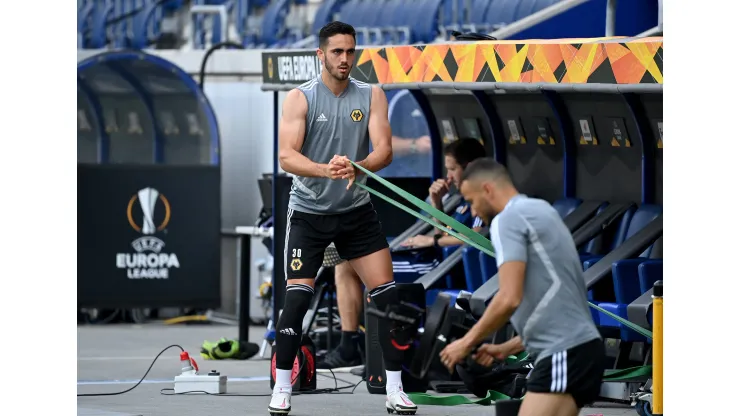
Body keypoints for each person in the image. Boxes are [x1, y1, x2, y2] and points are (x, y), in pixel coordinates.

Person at [269, 21, 417, 415]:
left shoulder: (371, 94)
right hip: (309, 214)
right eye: (337, 52)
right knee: (297, 301)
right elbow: (286, 156)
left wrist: (359, 166)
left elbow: (384, 151)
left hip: (355, 213)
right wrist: (327, 170)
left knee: (388, 297)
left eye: (351, 51)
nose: (345, 59)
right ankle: (282, 386)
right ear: (321, 55)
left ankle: (395, 389)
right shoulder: (301, 98)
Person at [438, 158, 606, 416]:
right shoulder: (540, 210)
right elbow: (555, 305)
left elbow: (509, 297)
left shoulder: (507, 219)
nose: (472, 212)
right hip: (580, 349)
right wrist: (505, 348)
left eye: (471, 202)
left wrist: (467, 341)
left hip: (564, 351)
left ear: (488, 189)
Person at [315, 138, 487, 373]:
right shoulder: (455, 197)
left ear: (469, 167)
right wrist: (436, 203)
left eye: (452, 169)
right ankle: (351, 344)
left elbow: (477, 237)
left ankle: (366, 352)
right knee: (347, 259)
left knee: (363, 272)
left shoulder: (479, 197)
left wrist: (433, 240)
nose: (448, 175)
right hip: (429, 255)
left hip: (439, 265)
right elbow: (441, 230)